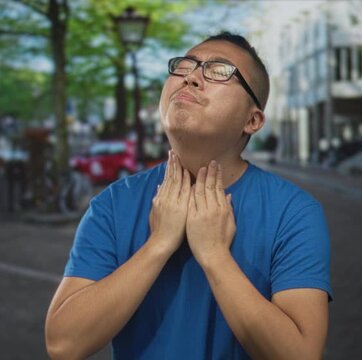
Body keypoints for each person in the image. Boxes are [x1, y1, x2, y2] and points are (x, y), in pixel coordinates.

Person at [45, 32, 332, 360]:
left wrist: (214, 254)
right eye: (184, 66)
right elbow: (63, 344)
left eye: (220, 71)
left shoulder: (294, 213)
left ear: (253, 120)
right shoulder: (112, 204)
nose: (192, 78)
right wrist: (159, 244)